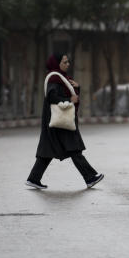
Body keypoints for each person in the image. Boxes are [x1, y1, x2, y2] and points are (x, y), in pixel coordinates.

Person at [25, 53, 104, 190]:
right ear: (57, 63)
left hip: (56, 120)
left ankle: (34, 178)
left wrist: (76, 88)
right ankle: (90, 177)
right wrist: (70, 101)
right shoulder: (54, 78)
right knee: (74, 148)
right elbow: (52, 96)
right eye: (65, 62)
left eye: (68, 62)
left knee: (47, 151)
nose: (68, 64)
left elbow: (69, 94)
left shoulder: (61, 78)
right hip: (60, 121)